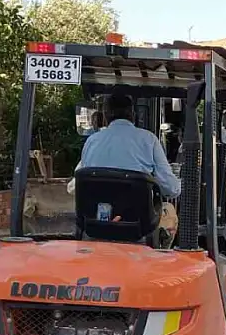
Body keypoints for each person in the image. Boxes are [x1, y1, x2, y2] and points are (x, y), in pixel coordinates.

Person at [69, 93, 180, 239]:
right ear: (132, 115)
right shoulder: (149, 140)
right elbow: (171, 189)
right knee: (169, 210)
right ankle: (161, 255)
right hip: (137, 227)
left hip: (97, 224)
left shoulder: (92, 141)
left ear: (105, 115)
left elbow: (74, 187)